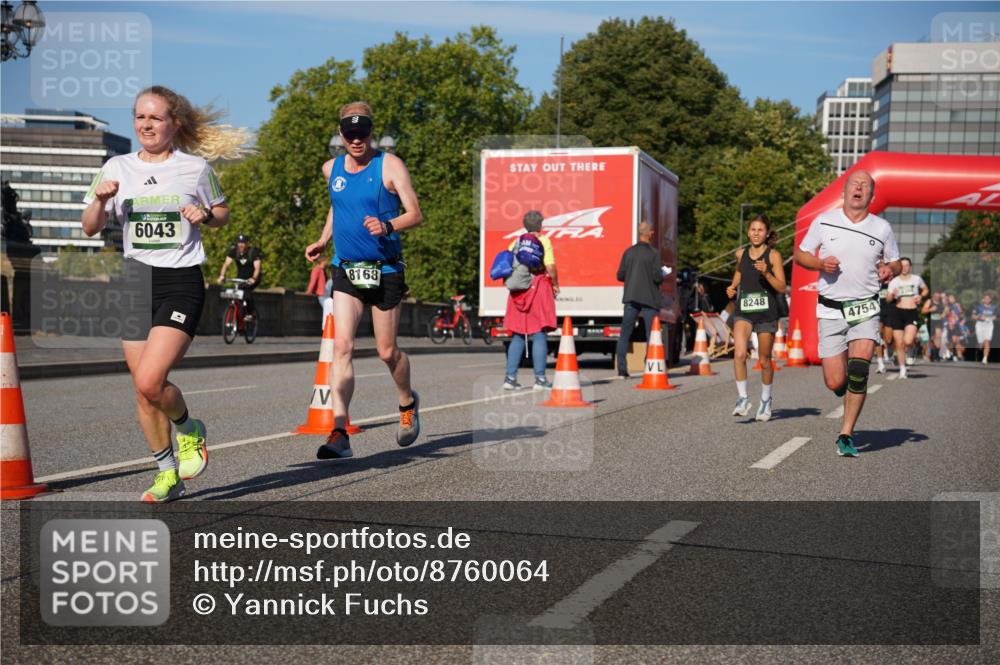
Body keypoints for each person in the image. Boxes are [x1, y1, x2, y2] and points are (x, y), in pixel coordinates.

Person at [81, 85, 244, 502]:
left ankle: (189, 429)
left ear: (175, 124)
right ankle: (166, 472)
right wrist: (100, 201)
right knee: (142, 387)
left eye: (155, 118)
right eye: (139, 117)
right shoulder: (116, 166)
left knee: (153, 380)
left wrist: (205, 214)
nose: (146, 125)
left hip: (180, 280)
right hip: (135, 280)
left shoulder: (194, 168)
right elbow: (89, 226)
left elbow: (223, 214)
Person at [305, 102, 423, 459]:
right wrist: (324, 239)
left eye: (364, 133)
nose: (357, 140)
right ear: (341, 135)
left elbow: (416, 213)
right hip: (346, 268)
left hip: (385, 268)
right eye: (350, 134)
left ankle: (407, 402)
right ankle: (340, 433)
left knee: (387, 351)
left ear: (372, 132)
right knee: (342, 347)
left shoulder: (389, 165)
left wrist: (387, 225)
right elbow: (337, 205)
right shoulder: (331, 168)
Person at [794, 169, 900, 457]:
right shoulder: (824, 221)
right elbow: (801, 254)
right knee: (835, 381)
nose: (859, 188)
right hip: (831, 309)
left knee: (858, 370)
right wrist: (819, 264)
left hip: (865, 308)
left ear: (872, 195)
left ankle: (846, 433)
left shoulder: (882, 228)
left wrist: (891, 269)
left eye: (865, 185)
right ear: (844, 191)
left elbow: (897, 262)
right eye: (854, 184)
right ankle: (845, 392)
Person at [726, 215, 786, 422]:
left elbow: (781, 287)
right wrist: (732, 288)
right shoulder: (741, 253)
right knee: (740, 353)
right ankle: (742, 399)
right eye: (753, 229)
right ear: (748, 232)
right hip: (744, 310)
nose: (756, 233)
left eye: (760, 230)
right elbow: (739, 273)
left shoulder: (773, 256)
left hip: (766, 313)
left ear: (767, 233)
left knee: (764, 360)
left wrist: (767, 273)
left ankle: (766, 400)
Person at [503, 210, 559, 390]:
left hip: (518, 291)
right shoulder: (543, 241)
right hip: (538, 288)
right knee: (539, 333)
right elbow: (550, 266)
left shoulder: (516, 241)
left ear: (525, 225)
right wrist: (556, 283)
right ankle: (540, 379)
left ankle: (510, 379)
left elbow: (508, 264)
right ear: (540, 225)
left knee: (519, 335)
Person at [615, 221, 663, 378]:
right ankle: (649, 366)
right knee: (652, 335)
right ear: (650, 233)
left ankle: (622, 369)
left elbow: (620, 275)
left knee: (625, 333)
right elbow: (657, 277)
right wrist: (662, 274)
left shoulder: (628, 252)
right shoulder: (654, 254)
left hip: (631, 297)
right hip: (649, 298)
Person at [886, 257, 928, 378]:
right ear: (899, 267)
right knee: (899, 344)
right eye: (902, 265)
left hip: (911, 312)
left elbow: (925, 289)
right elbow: (888, 299)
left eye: (907, 265)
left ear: (910, 266)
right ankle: (902, 369)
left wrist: (920, 296)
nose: (904, 268)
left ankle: (911, 350)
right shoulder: (894, 281)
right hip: (898, 312)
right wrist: (892, 295)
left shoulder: (916, 279)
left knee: (908, 341)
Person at [217, 234, 261, 320]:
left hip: (253, 277)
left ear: (247, 244)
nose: (241, 245)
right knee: (235, 294)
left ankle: (250, 313)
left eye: (243, 243)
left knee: (247, 292)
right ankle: (238, 319)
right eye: (239, 243)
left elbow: (257, 267)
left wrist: (254, 278)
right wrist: (222, 276)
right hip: (240, 278)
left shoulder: (253, 252)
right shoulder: (234, 251)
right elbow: (226, 264)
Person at [307, 255, 333, 328]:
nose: (327, 262)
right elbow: (313, 281)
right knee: (329, 310)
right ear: (322, 261)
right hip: (322, 295)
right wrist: (308, 292)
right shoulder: (317, 269)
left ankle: (328, 327)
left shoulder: (324, 270)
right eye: (326, 261)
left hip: (326, 295)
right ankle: (326, 327)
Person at [875, 276, 895, 374]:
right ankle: (880, 363)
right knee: (877, 335)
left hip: (891, 312)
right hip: (878, 311)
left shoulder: (894, 283)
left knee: (888, 339)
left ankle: (890, 349)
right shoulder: (876, 282)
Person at [974, 292, 996, 364]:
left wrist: (993, 317)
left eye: (988, 299)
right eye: (985, 298)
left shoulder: (994, 307)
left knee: (987, 341)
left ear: (990, 300)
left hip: (989, 325)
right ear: (983, 299)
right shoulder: (979, 307)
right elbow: (973, 316)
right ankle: (979, 347)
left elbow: (995, 316)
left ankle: (985, 358)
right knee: (981, 343)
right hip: (980, 325)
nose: (986, 300)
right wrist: (979, 317)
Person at [921, 291, 944, 361]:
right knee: (932, 339)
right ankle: (933, 354)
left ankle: (937, 355)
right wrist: (931, 309)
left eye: (938, 294)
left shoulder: (942, 303)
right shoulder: (929, 301)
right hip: (931, 322)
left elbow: (945, 311)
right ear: (933, 295)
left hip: (939, 322)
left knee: (938, 336)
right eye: (936, 294)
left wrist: (944, 314)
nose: (937, 296)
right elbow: (923, 311)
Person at [946, 293, 968, 362]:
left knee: (957, 341)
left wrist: (961, 314)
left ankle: (959, 356)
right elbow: (945, 315)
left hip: (957, 325)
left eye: (952, 298)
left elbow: (961, 313)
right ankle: (951, 353)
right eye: (949, 298)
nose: (951, 299)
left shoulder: (957, 305)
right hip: (950, 325)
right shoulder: (947, 306)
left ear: (955, 299)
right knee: (953, 341)